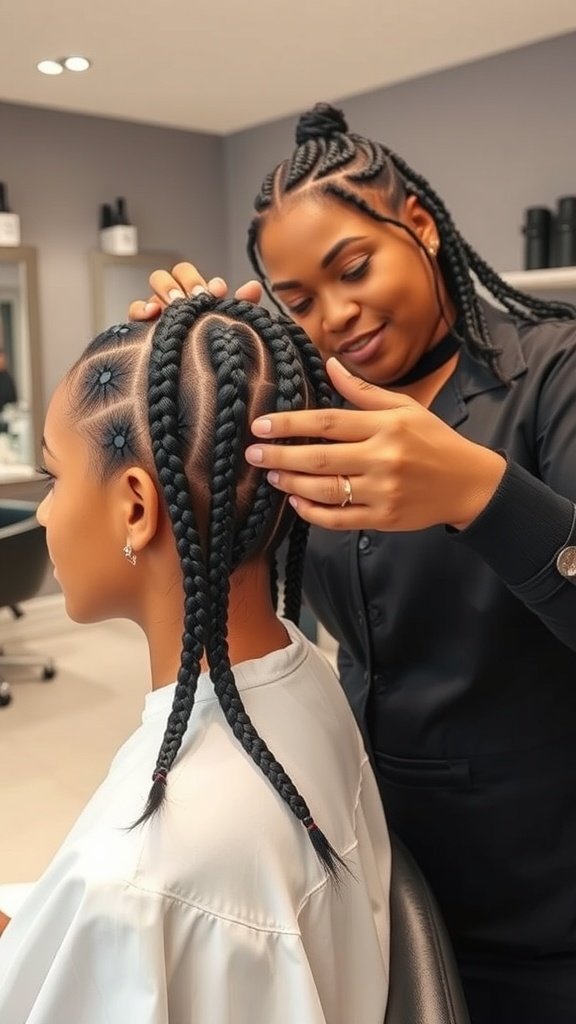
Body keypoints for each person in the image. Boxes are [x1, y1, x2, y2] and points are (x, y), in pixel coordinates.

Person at [131, 102, 576, 1023]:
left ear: (416, 224)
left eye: (354, 268)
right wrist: (184, 372)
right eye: (297, 300)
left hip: (549, 896)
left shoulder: (553, 374)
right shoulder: (312, 416)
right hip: (385, 877)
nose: (336, 316)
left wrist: (481, 496)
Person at [0, 294, 391, 1024]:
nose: (47, 513)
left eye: (55, 480)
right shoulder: (304, 675)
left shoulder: (136, 884)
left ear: (137, 508)